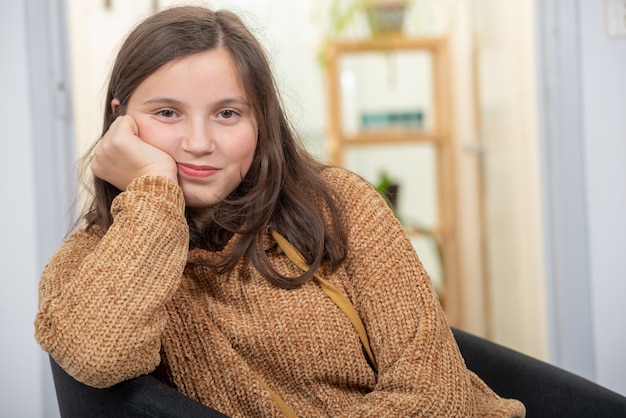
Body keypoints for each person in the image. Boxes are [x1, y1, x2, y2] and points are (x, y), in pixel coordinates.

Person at [35, 5, 525, 417]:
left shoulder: (341, 203)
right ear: (120, 121)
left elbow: (438, 396)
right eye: (167, 113)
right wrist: (154, 195)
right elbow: (95, 359)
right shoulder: (87, 264)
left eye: (228, 113)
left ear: (260, 122)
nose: (199, 143)